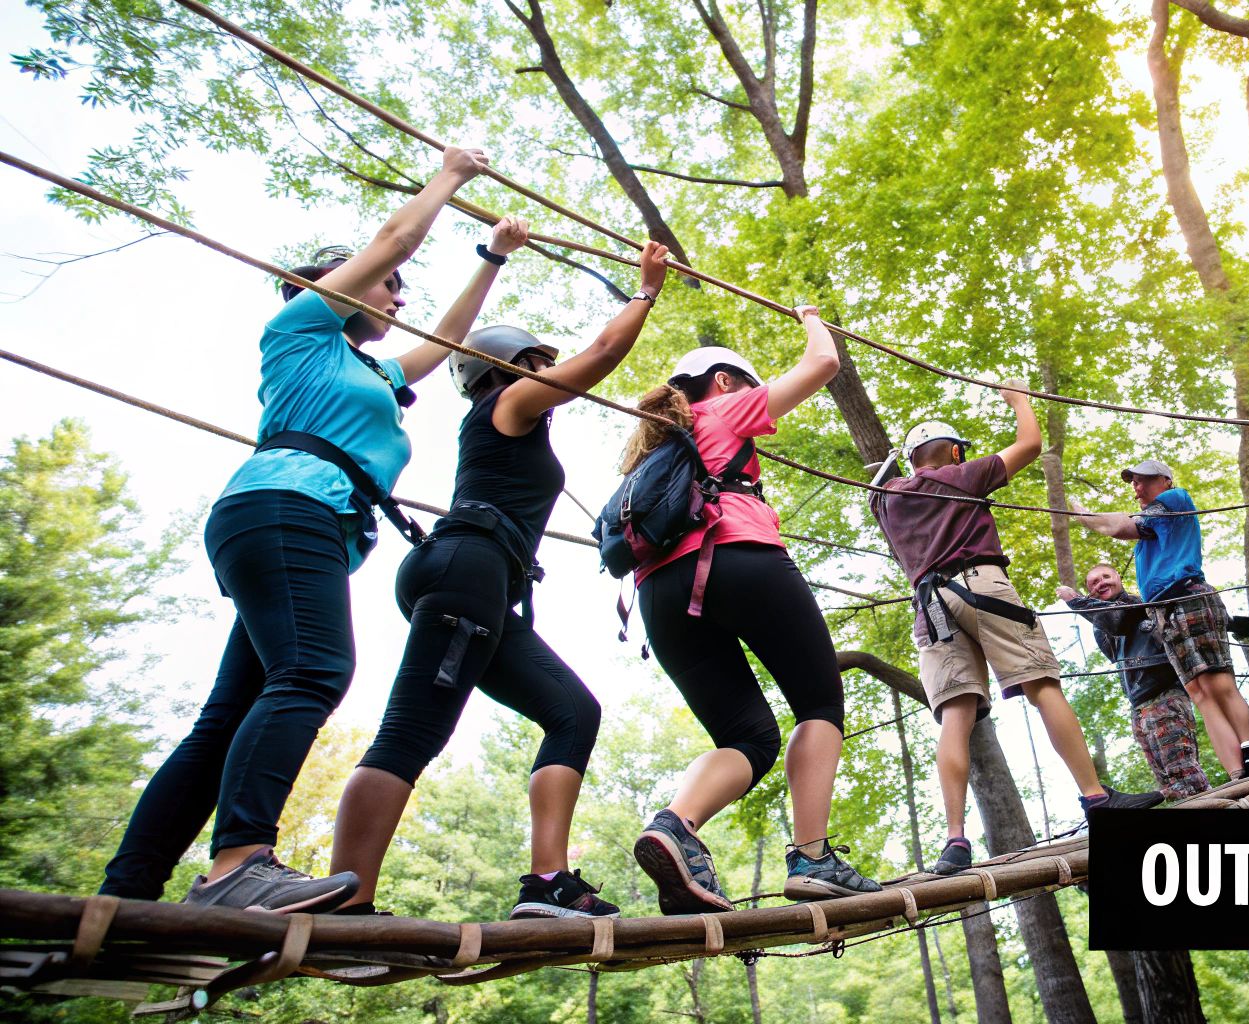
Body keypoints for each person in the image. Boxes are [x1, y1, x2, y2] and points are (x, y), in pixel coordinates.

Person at [97, 146, 500, 913]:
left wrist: (492, 258)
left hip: (297, 524)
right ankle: (240, 860)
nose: (398, 297)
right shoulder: (298, 332)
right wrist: (449, 176)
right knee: (314, 671)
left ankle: (129, 894)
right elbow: (390, 242)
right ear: (327, 287)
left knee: (229, 714)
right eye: (388, 288)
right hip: (286, 509)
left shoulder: (372, 373)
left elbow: (445, 342)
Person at [325, 241, 672, 920]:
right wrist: (647, 292)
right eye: (542, 361)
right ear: (514, 365)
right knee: (411, 732)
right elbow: (600, 356)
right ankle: (343, 900)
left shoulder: (512, 422)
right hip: (468, 572)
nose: (552, 371)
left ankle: (548, 882)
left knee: (574, 714)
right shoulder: (508, 403)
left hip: (481, 582)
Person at [625, 308, 882, 914]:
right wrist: (812, 318)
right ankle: (813, 857)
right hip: (735, 558)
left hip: (658, 593)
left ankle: (677, 825)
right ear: (721, 381)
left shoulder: (650, 455)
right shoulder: (721, 409)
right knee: (818, 703)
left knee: (747, 738)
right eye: (746, 382)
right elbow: (823, 364)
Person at [869, 384, 1162, 880]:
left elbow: (885, 495)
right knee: (1041, 684)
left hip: (931, 609)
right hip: (981, 586)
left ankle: (954, 839)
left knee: (956, 717)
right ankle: (1096, 798)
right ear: (955, 451)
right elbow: (1028, 445)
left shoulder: (888, 499)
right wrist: (1019, 401)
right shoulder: (961, 475)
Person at [1071, 459, 1249, 779]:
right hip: (1164, 612)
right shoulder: (1147, 541)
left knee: (1219, 685)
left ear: (1165, 480)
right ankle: (1238, 774)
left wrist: (1083, 515)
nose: (1137, 487)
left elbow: (1118, 527)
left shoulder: (1175, 500)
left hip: (1186, 595)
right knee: (1200, 694)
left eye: (1144, 480)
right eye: (1133, 482)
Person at [1058, 564, 1211, 800]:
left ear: (1118, 577)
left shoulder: (1136, 604)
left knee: (1185, 775)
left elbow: (1118, 619)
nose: (1101, 584)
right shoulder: (1104, 624)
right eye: (1094, 584)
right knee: (1169, 783)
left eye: (1105, 577)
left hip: (1165, 696)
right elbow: (1111, 643)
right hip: (1139, 706)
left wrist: (1077, 601)